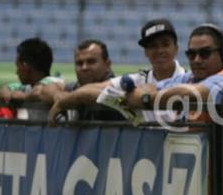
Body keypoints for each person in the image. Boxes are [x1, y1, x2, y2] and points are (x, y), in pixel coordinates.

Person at [48, 19, 186, 124]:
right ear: (146, 52)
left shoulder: (188, 79)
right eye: (153, 46)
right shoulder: (138, 79)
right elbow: (93, 88)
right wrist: (64, 101)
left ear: (176, 48)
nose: (160, 50)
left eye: (165, 44)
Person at [0, 37, 65, 121]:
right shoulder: (29, 87)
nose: (16, 72)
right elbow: (5, 89)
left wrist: (24, 97)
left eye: (17, 66)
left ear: (26, 67)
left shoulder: (54, 81)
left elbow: (42, 92)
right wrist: (6, 93)